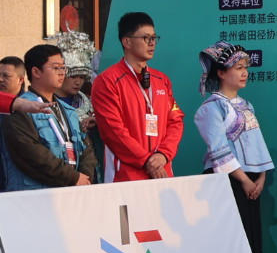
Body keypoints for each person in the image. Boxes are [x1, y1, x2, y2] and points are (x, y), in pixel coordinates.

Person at [194, 42, 273, 253]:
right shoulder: (211, 107)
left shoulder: (247, 105)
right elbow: (218, 148)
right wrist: (244, 180)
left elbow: (257, 144)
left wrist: (261, 176)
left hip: (250, 181)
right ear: (221, 73)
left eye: (245, 67)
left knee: (250, 235)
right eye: (238, 68)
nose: (244, 73)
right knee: (232, 239)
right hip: (228, 179)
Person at [92, 11, 185, 182]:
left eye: (154, 38)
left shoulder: (162, 80)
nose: (152, 43)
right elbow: (113, 131)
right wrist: (147, 161)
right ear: (126, 42)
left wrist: (163, 154)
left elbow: (175, 121)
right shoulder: (107, 81)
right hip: (126, 176)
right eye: (145, 38)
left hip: (162, 172)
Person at [1, 44, 96, 189]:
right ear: (36, 72)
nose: (62, 73)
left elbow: (86, 148)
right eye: (56, 68)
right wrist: (73, 177)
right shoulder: (20, 109)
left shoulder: (69, 110)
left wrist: (84, 177)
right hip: (34, 194)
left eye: (63, 68)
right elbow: (31, 155)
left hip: (72, 190)